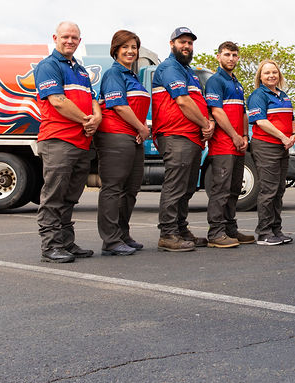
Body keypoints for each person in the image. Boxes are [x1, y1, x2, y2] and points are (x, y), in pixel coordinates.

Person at [34, 21, 101, 264]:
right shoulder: (48, 66)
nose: (70, 40)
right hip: (59, 140)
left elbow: (92, 99)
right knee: (54, 195)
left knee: (70, 197)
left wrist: (97, 117)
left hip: (81, 142)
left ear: (79, 41)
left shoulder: (81, 70)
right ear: (55, 37)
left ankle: (66, 243)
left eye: (74, 37)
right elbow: (57, 101)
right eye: (65, 36)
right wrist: (86, 121)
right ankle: (50, 247)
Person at [151, 27, 214, 252]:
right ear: (171, 44)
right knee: (176, 185)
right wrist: (206, 124)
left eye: (189, 43)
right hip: (175, 134)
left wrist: (207, 123)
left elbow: (198, 101)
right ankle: (168, 233)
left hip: (191, 136)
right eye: (182, 42)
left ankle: (180, 228)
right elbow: (183, 102)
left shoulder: (189, 72)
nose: (186, 46)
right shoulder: (170, 68)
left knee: (187, 187)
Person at [95, 29, 151, 256]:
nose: (130, 51)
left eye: (134, 47)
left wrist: (139, 130)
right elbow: (118, 105)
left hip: (133, 137)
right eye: (125, 47)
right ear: (115, 50)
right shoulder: (113, 74)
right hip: (114, 136)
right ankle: (110, 240)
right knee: (113, 189)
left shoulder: (132, 76)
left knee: (130, 189)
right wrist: (141, 127)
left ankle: (122, 234)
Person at [203, 41, 254, 248]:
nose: (231, 58)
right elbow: (217, 111)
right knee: (221, 190)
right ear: (218, 57)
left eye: (234, 55)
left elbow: (242, 112)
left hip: (238, 144)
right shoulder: (215, 81)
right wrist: (234, 135)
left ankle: (230, 229)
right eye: (227, 54)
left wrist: (244, 136)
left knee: (234, 190)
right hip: (223, 145)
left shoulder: (237, 83)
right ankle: (215, 233)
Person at [247, 59, 295, 246]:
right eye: (267, 73)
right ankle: (264, 232)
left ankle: (276, 229)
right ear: (260, 76)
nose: (271, 75)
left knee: (279, 189)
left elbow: (291, 118)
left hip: (282, 147)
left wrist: (292, 134)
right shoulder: (258, 95)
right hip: (266, 146)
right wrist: (283, 137)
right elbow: (261, 122)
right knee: (268, 190)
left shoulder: (283, 95)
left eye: (274, 72)